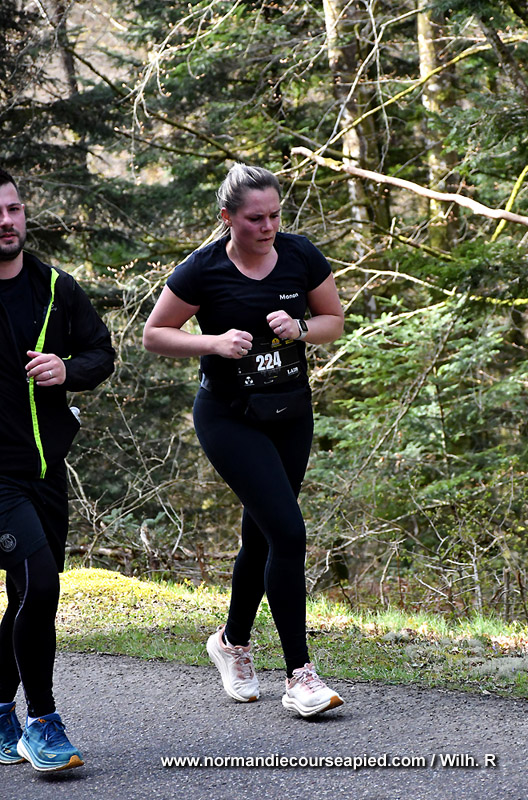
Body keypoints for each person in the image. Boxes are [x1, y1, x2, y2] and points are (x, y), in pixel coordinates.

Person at [143, 163, 345, 718]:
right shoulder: (202, 269)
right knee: (289, 532)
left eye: (275, 215)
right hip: (228, 417)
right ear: (227, 217)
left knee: (263, 537)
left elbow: (333, 321)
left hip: (290, 412)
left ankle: (231, 643)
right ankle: (300, 676)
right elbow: (154, 334)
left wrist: (299, 329)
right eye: (256, 218)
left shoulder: (300, 255)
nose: (268, 226)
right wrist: (212, 342)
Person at [0, 169, 115, 770]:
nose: (6, 222)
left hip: (45, 471)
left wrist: (67, 369)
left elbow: (102, 353)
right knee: (40, 585)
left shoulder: (55, 288)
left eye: (14, 209)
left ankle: (0, 710)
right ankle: (42, 723)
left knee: (28, 592)